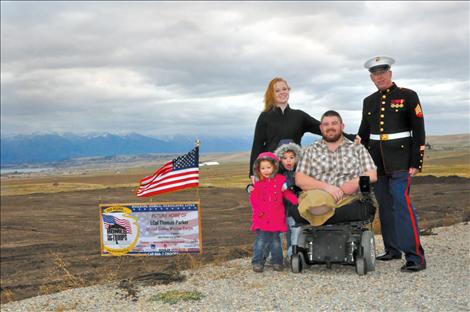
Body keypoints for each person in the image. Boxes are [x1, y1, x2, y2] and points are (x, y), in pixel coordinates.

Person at [358, 56, 427, 272]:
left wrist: (417, 161)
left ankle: (415, 256)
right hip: (377, 164)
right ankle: (392, 249)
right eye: (375, 74)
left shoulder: (408, 96)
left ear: (390, 73)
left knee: (401, 204)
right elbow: (364, 134)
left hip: (401, 161)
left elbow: (419, 130)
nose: (379, 77)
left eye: (383, 72)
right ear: (371, 78)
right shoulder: (368, 101)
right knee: (385, 207)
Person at [248, 77, 357, 180]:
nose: (282, 92)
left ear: (288, 91)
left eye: (284, 89)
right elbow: (257, 145)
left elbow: (325, 129)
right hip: (272, 170)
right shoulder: (265, 117)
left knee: (296, 198)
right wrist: (253, 173)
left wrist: (351, 137)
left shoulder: (299, 116)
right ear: (271, 94)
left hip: (296, 168)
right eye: (277, 90)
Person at [295, 110, 377, 226]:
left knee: (317, 206)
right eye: (326, 124)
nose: (330, 127)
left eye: (334, 123)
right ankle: (324, 209)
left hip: (348, 198)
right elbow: (300, 179)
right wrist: (327, 188)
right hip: (318, 197)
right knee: (316, 202)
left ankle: (323, 213)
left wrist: (354, 182)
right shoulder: (310, 150)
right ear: (321, 128)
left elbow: (372, 174)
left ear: (342, 126)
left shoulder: (357, 148)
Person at [249, 152, 298, 273]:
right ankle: (257, 262)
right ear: (258, 169)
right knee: (261, 241)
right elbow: (253, 199)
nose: (265, 170)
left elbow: (287, 194)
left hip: (276, 217)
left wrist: (297, 202)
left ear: (275, 167)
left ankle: (277, 262)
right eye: (262, 168)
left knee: (276, 241)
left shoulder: (281, 181)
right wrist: (259, 211)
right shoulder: (258, 183)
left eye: (268, 167)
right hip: (262, 217)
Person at [274, 141, 303, 264]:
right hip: (279, 210)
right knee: (278, 235)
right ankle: (276, 257)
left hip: (294, 210)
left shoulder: (301, 173)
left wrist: (296, 189)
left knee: (295, 234)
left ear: (297, 158)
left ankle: (293, 255)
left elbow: (304, 187)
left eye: (292, 157)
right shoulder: (275, 174)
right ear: (279, 159)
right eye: (285, 158)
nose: (288, 161)